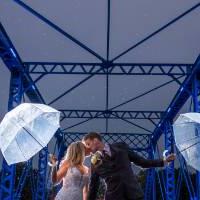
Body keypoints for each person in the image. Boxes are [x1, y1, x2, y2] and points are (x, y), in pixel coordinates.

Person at [82, 132, 176, 200]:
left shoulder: (121, 146)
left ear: (95, 140)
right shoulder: (94, 163)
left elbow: (142, 162)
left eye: (88, 144)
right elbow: (93, 186)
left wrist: (163, 161)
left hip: (133, 193)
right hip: (113, 197)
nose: (88, 148)